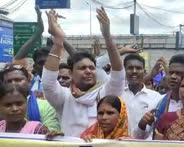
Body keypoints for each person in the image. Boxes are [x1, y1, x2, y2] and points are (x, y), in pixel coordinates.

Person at [42, 8, 125, 137]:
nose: (88, 71)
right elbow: (48, 83)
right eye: (82, 68)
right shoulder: (64, 97)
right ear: (71, 73)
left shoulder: (104, 94)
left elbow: (118, 75)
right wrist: (58, 40)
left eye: (92, 68)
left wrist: (107, 37)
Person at [135, 54, 184, 139]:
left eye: (179, 73)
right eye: (171, 73)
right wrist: (142, 124)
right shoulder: (158, 101)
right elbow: (140, 137)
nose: (173, 77)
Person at [0, 64, 61, 132]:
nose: (13, 84)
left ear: (29, 81)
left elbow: (51, 135)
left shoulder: (46, 106)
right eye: (9, 81)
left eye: (18, 80)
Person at [120, 54, 163, 136]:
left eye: (138, 68)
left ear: (144, 71)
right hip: (120, 145)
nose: (134, 71)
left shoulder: (156, 97)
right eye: (130, 68)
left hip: (145, 146)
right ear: (124, 70)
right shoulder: (118, 94)